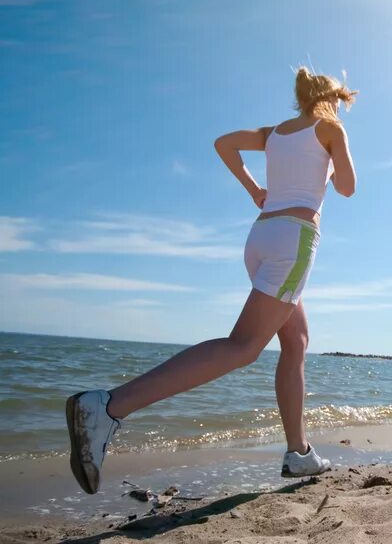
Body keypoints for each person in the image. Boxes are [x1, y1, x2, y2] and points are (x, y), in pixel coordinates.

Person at [65, 67, 358, 494]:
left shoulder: (273, 133)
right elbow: (348, 188)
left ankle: (299, 454)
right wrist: (330, 164)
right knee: (243, 347)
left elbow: (223, 144)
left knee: (295, 340)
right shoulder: (330, 128)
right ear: (331, 99)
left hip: (260, 239)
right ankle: (107, 406)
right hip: (294, 240)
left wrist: (254, 189)